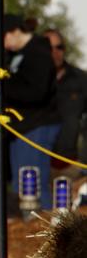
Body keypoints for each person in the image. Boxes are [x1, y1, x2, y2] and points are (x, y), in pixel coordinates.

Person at [1, 15, 59, 210]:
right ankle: (29, 228)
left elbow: (37, 91)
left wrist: (5, 86)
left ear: (15, 31)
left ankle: (45, 231)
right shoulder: (18, 55)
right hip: (22, 128)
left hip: (37, 125)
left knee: (34, 184)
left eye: (3, 37)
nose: (3, 43)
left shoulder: (38, 53)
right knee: (22, 186)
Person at [43, 29, 87, 168]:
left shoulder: (81, 79)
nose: (55, 52)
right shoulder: (30, 82)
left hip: (73, 164)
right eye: (49, 48)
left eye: (59, 47)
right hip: (37, 162)